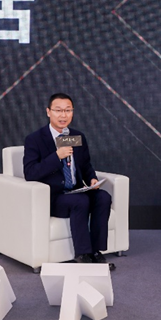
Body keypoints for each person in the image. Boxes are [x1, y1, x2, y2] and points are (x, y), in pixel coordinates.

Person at [23, 92, 113, 267]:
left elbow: (85, 165)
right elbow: (30, 173)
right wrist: (56, 156)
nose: (63, 115)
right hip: (53, 197)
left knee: (103, 197)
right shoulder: (35, 139)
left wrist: (92, 179)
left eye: (68, 110)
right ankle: (83, 254)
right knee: (80, 201)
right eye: (58, 110)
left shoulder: (77, 137)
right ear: (48, 112)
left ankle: (96, 251)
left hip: (76, 191)